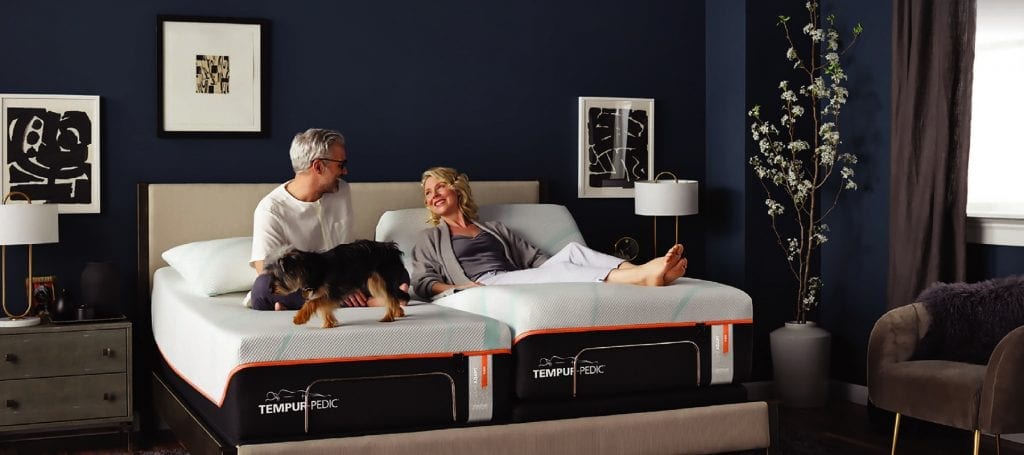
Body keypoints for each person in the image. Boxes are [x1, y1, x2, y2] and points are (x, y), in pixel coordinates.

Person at [410, 167, 688, 299]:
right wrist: (461, 288)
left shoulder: (494, 229)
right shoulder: (431, 239)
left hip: (512, 277)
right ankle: (644, 277)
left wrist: (563, 265)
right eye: (428, 193)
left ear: (456, 190)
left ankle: (642, 271)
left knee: (572, 252)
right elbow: (423, 282)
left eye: (439, 187)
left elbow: (535, 260)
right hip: (484, 285)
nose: (433, 196)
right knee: (563, 269)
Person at [249, 128, 404, 310]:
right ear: (318, 166)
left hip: (346, 274)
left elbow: (348, 254)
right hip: (309, 284)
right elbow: (265, 270)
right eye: (341, 164)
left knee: (392, 262)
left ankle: (335, 302)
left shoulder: (341, 191)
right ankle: (363, 300)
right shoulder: (271, 209)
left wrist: (348, 281)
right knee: (261, 290)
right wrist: (329, 289)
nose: (345, 171)